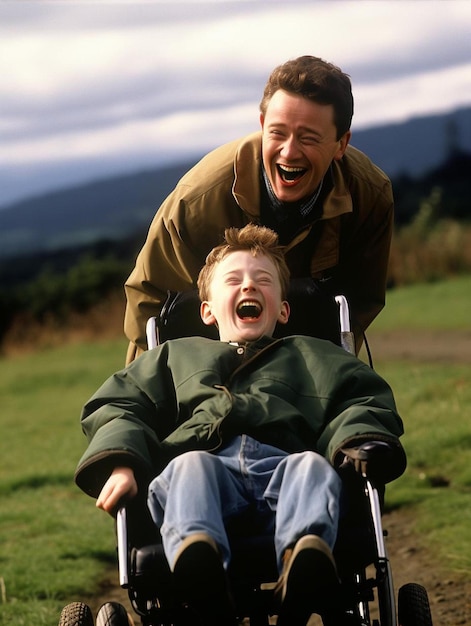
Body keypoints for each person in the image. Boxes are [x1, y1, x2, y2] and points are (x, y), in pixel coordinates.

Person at [76, 224, 405, 626]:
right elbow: (119, 403)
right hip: (203, 476)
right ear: (207, 309)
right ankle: (201, 569)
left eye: (262, 280)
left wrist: (358, 440)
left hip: (285, 467)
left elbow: (361, 399)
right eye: (234, 280)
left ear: (283, 309)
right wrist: (124, 462)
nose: (249, 286)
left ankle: (303, 562)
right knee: (188, 466)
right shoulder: (172, 357)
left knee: (313, 468)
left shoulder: (314, 356)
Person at [124, 55, 394, 364]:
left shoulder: (369, 195)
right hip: (200, 353)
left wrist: (326, 375)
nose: (289, 151)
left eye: (308, 138)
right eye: (278, 132)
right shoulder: (197, 203)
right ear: (262, 125)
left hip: (310, 350)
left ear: (341, 144)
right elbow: (149, 305)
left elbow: (359, 303)